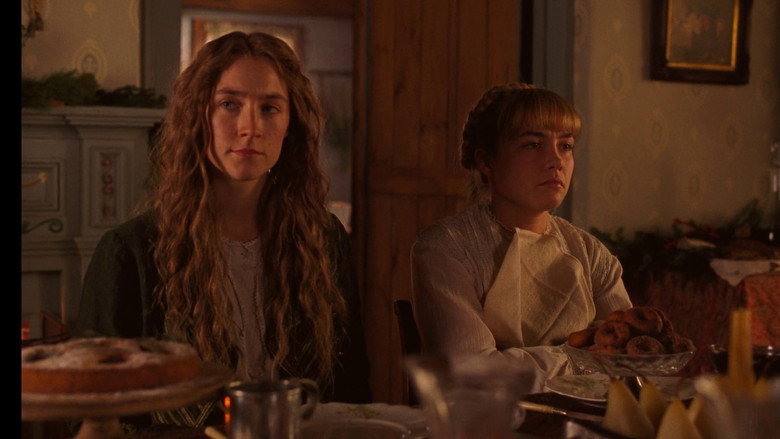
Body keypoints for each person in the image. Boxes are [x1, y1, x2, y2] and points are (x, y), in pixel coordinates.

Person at [76, 31, 371, 430]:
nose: (250, 127)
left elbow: (352, 385)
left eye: (270, 108)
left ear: (291, 124)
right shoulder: (130, 251)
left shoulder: (323, 237)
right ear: (198, 117)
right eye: (229, 104)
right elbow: (95, 415)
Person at [410, 82, 632, 392]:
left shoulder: (589, 252)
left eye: (565, 146)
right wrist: (581, 357)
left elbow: (629, 357)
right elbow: (473, 373)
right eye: (532, 144)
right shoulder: (446, 248)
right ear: (486, 161)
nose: (556, 161)